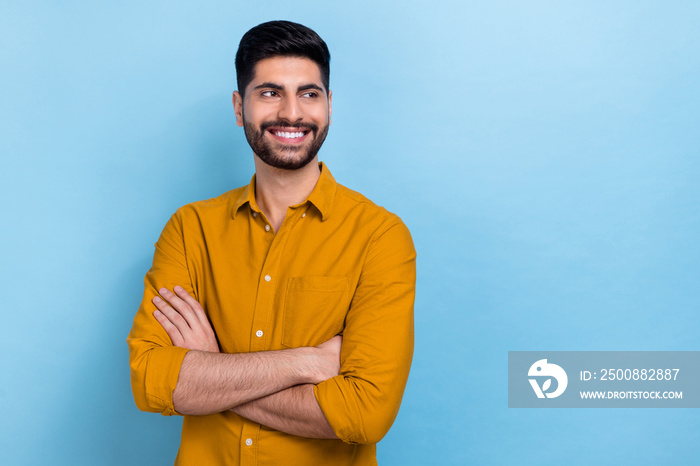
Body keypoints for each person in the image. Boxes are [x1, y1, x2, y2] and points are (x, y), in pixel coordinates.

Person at [127, 20, 416, 465]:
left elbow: (364, 413)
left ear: (329, 105)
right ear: (239, 107)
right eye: (269, 93)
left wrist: (212, 369)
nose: (292, 113)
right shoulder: (190, 229)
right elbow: (151, 380)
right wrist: (306, 363)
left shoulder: (380, 237)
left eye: (308, 93)